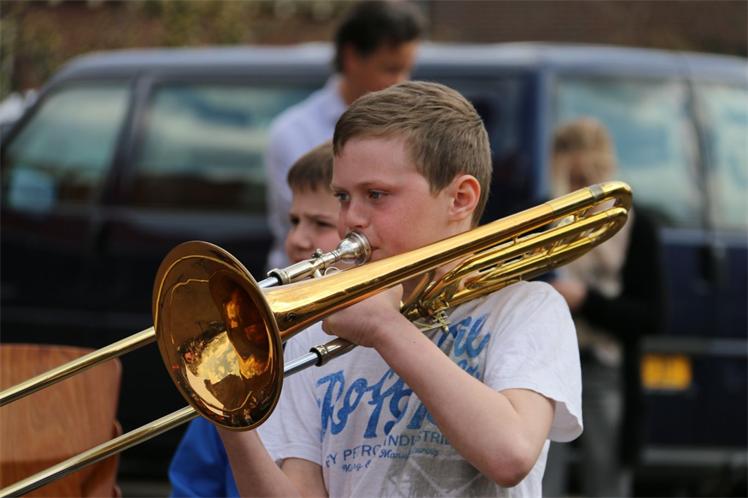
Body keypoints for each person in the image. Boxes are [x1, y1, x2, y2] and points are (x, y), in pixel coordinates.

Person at [219, 81, 583, 497]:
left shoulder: (527, 308)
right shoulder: (318, 329)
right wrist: (231, 417)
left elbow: (510, 454)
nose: (351, 218)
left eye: (376, 194)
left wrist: (386, 329)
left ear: (460, 199)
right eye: (343, 196)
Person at [169, 142, 341, 497]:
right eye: (294, 221)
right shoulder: (250, 348)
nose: (297, 239)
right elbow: (195, 482)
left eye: (320, 223)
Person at [546, 118, 665, 497]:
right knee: (538, 481)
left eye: (588, 180)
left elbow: (651, 316)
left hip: (605, 366)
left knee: (607, 481)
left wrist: (586, 301)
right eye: (572, 180)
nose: (580, 191)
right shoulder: (544, 219)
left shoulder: (636, 227)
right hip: (547, 367)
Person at [265, 0, 424, 270]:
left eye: (406, 70)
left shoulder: (413, 130)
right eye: (390, 69)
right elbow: (315, 225)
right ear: (351, 58)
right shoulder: (293, 132)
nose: (401, 82)